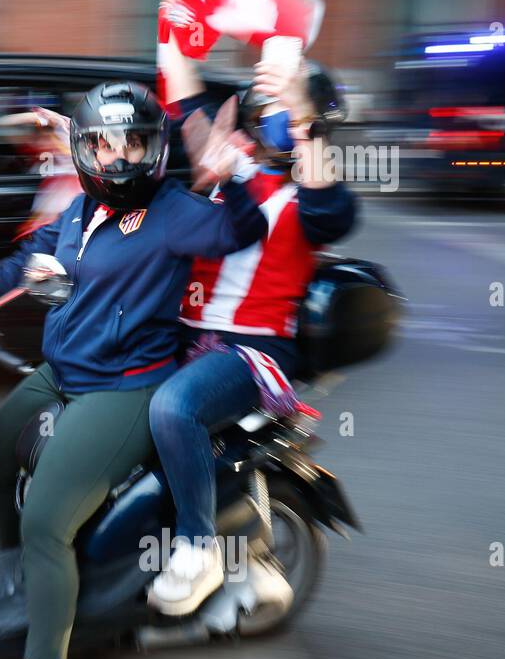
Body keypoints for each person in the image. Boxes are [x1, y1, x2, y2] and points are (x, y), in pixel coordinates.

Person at [0, 80, 267, 659]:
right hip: (63, 374)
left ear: (154, 152)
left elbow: (239, 228)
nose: (119, 160)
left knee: (46, 520)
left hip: (124, 387)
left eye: (134, 145)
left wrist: (235, 174)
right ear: (84, 149)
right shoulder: (79, 212)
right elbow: (29, 261)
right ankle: (29, 585)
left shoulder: (173, 210)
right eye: (104, 144)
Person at [144, 37, 358, 617]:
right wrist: (176, 26)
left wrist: (301, 102)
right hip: (181, 339)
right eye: (268, 107)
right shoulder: (228, 162)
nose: (270, 117)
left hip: (249, 352)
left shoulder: (312, 194)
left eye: (282, 109)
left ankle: (197, 546)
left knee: (173, 409)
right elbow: (185, 101)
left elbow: (328, 207)